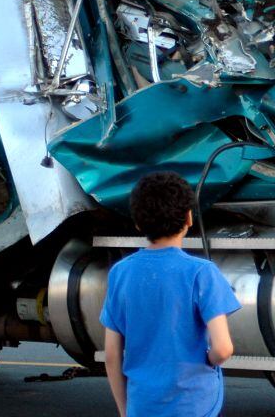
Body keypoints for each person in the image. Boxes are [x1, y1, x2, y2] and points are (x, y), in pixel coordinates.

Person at [101, 171, 241, 417]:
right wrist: (208, 360)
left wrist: (125, 411)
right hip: (195, 405)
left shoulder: (120, 273)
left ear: (138, 223)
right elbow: (223, 348)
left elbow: (112, 354)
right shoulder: (201, 273)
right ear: (189, 218)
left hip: (143, 406)